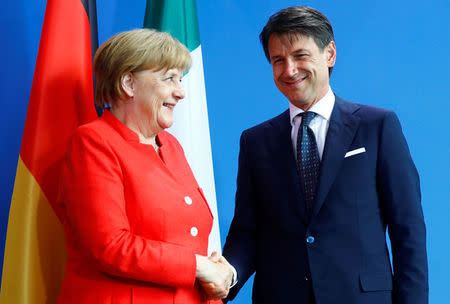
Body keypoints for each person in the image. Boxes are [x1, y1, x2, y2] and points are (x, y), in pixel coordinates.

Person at [222, 6, 428, 304]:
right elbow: (247, 232)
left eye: (300, 55)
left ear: (329, 53)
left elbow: (407, 230)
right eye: (278, 60)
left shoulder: (377, 126)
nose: (289, 69)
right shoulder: (256, 141)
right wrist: (224, 279)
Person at [55, 29, 233, 303]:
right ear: (129, 83)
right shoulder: (93, 142)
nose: (181, 92)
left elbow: (187, 237)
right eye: (169, 78)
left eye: (181, 79)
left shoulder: (171, 145)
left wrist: (218, 272)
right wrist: (199, 267)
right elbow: (110, 246)